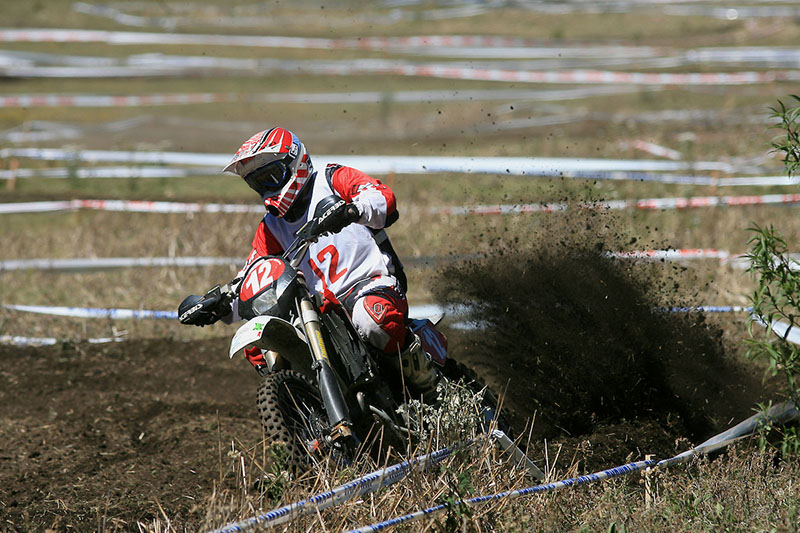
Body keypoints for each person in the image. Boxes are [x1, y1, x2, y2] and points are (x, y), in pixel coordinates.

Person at [183, 127, 438, 398]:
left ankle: (435, 391)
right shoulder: (271, 228)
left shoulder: (331, 180)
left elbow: (381, 198)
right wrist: (219, 305)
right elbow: (252, 276)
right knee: (260, 345)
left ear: (294, 163)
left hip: (369, 286)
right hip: (318, 309)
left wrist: (352, 209)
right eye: (258, 183)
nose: (267, 189)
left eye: (271, 177)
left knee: (373, 318)